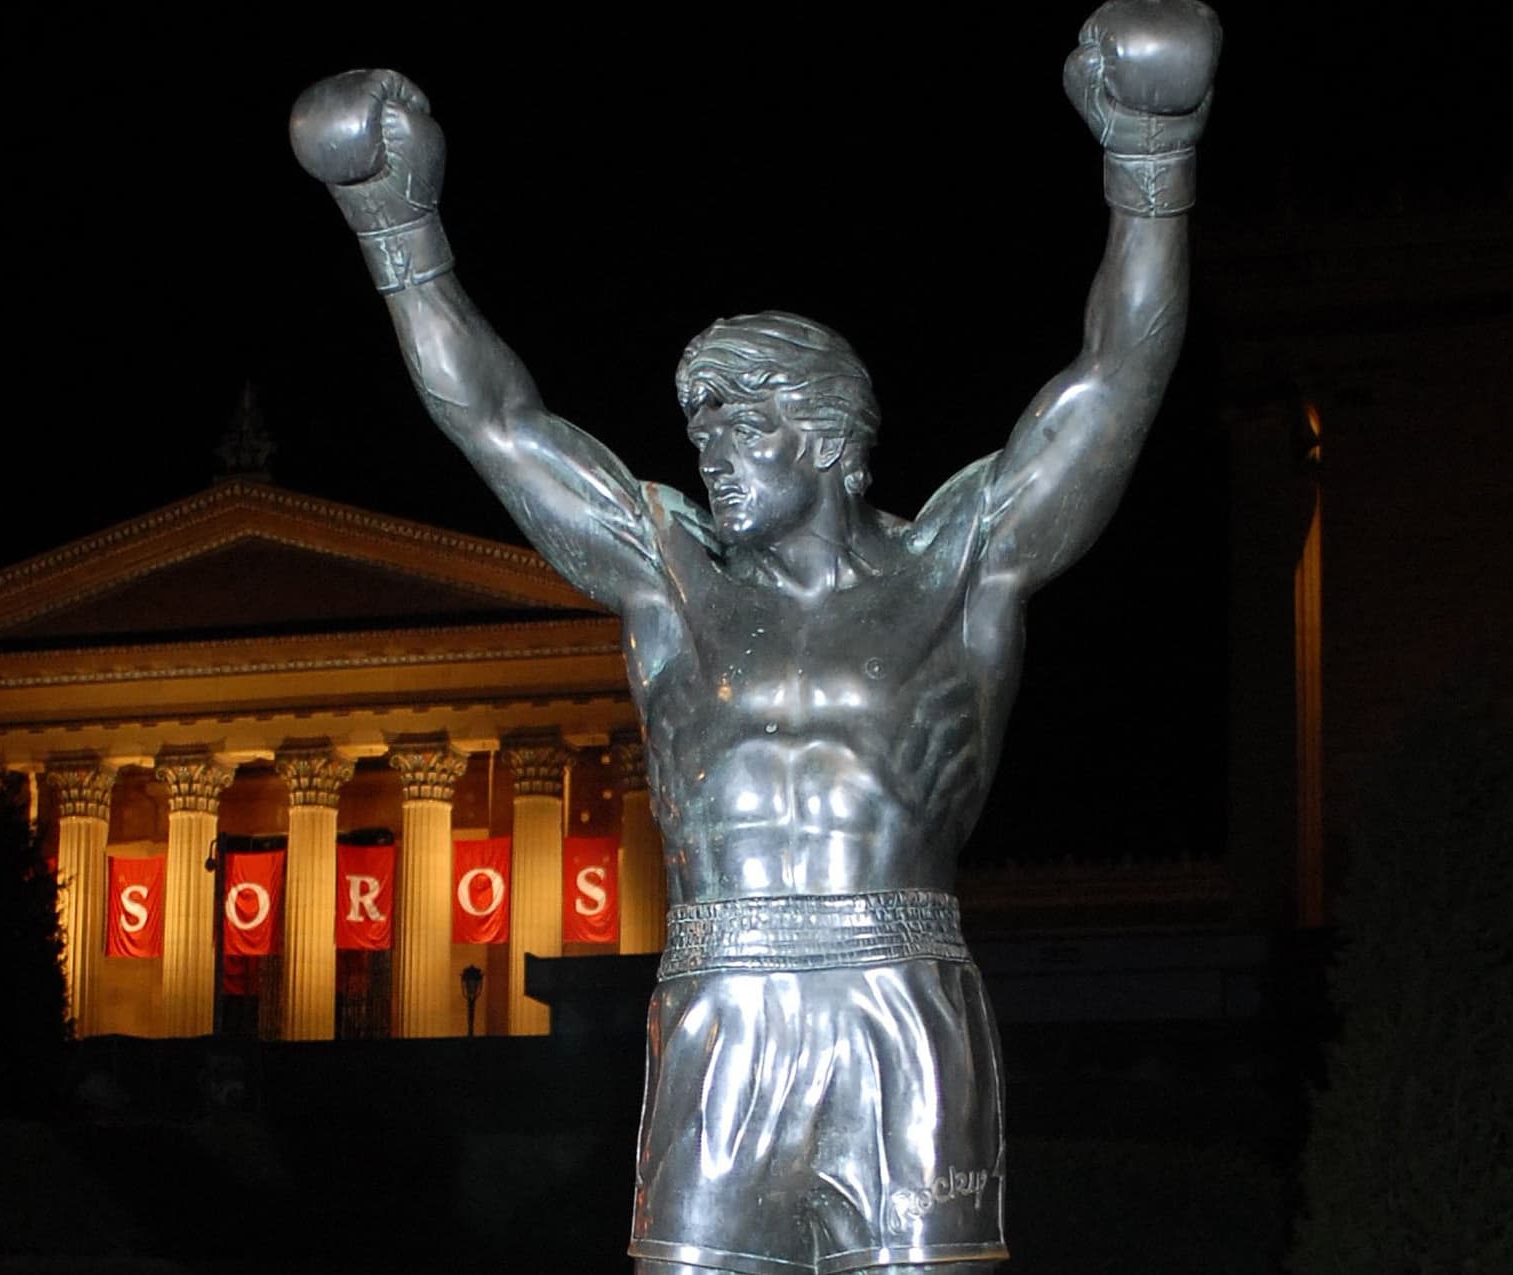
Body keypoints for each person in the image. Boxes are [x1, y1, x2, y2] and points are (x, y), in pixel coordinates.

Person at [291, 3, 1220, 1270]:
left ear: (830, 434)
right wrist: (397, 228)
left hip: (902, 1004)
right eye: (700, 425)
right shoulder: (671, 575)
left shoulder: (964, 559)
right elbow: (500, 424)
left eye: (741, 422)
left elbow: (1116, 379)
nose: (709, 449)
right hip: (722, 1010)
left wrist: (1151, 163)